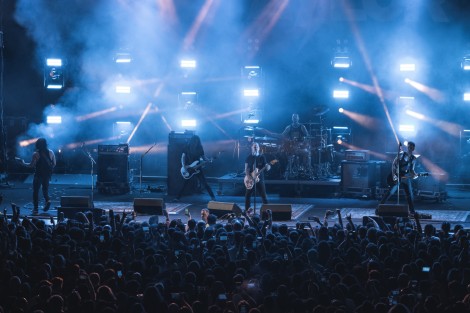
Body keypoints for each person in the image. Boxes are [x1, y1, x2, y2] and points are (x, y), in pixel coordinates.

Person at [379, 141, 417, 215]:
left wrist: (415, 175)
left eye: (412, 147)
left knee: (409, 194)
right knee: (390, 192)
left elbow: (412, 170)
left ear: (413, 148)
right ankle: (379, 208)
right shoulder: (401, 154)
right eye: (409, 147)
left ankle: (412, 211)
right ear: (407, 147)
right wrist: (394, 175)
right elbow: (394, 164)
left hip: (405, 176)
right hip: (397, 174)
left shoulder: (413, 158)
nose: (410, 148)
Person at [20, 137, 56, 215]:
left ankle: (35, 209)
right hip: (47, 175)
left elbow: (31, 165)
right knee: (45, 190)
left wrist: (23, 163)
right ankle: (48, 200)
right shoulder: (51, 152)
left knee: (35, 192)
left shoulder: (36, 154)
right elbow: (54, 164)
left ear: (37, 145)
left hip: (38, 175)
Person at [175, 135, 216, 201]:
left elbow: (204, 157)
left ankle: (213, 198)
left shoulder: (199, 148)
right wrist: (183, 166)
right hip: (188, 168)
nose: (196, 143)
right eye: (195, 141)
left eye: (197, 141)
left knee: (205, 183)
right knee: (184, 184)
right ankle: (177, 198)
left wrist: (209, 160)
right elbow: (183, 157)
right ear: (192, 141)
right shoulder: (187, 147)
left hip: (197, 168)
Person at [244, 142, 271, 215]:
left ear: (259, 148)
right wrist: (249, 177)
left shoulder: (262, 157)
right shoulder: (248, 157)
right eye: (254, 147)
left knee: (264, 196)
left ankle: (267, 212)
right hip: (250, 179)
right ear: (251, 148)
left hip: (260, 179)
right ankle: (247, 211)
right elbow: (246, 169)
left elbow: (267, 167)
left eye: (257, 147)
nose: (256, 148)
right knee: (247, 196)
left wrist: (268, 167)